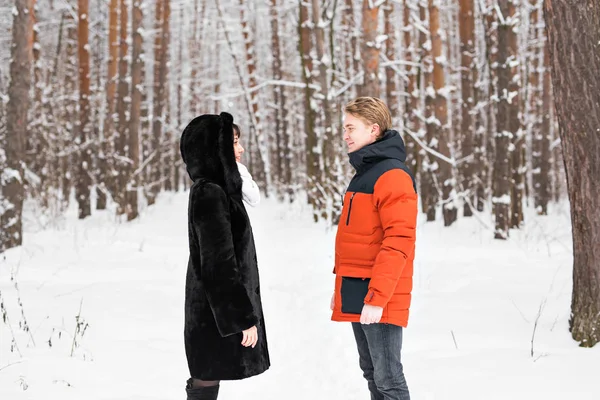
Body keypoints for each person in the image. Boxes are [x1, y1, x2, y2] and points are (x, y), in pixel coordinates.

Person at [330, 97, 417, 400]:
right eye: (345, 127)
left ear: (374, 129)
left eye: (351, 127)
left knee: (389, 378)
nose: (346, 134)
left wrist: (378, 298)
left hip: (378, 293)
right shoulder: (365, 173)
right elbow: (358, 243)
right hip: (358, 289)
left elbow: (398, 241)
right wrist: (340, 288)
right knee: (372, 372)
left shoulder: (392, 175)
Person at [180, 112, 270, 400]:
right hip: (213, 311)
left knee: (208, 379)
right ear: (213, 148)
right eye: (233, 142)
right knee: (205, 380)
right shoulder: (210, 192)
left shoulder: (220, 190)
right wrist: (242, 318)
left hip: (216, 309)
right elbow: (218, 263)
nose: (240, 149)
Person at [233, 124, 260, 207]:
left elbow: (253, 198)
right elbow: (253, 197)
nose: (241, 149)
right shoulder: (211, 189)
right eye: (235, 142)